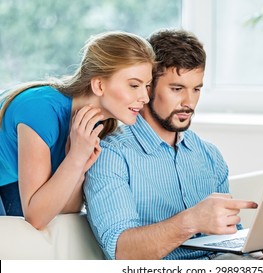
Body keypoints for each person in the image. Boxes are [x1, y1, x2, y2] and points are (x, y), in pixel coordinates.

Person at [84, 29, 263, 260]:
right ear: (148, 88)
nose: (189, 103)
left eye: (196, 89)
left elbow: (228, 238)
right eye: (177, 89)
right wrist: (191, 221)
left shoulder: (209, 155)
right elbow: (122, 253)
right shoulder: (111, 154)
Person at [0, 31, 155, 230]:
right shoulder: (40, 111)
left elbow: (66, 210)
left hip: (10, 177)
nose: (145, 97)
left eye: (147, 86)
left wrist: (79, 165)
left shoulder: (96, 125)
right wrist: (75, 157)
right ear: (99, 85)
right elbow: (36, 219)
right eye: (134, 85)